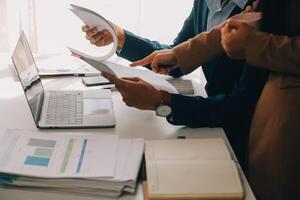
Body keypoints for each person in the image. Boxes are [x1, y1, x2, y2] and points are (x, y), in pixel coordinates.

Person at [84, 0, 266, 169]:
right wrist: (121, 37)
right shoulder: (206, 2)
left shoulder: (264, 10)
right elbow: (175, 58)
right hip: (211, 125)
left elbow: (242, 107)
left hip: (247, 141)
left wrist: (162, 102)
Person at [221, 0, 300, 199]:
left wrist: (254, 44)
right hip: (273, 112)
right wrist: (181, 53)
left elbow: (239, 101)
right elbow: (237, 25)